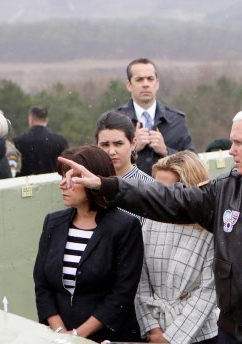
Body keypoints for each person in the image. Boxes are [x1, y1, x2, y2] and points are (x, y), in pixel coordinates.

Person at [59, 105, 242, 343]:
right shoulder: (226, 189)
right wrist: (107, 185)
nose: (231, 150)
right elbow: (170, 199)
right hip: (230, 334)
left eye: (238, 142)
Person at [33, 145, 143, 343]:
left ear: (94, 181)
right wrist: (60, 331)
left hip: (108, 337)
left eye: (72, 179)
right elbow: (42, 285)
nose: (63, 185)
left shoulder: (125, 226)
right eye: (62, 178)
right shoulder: (53, 223)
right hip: (59, 337)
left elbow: (121, 293)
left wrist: (78, 335)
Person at [136, 151, 219, 344]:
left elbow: (208, 292)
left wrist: (171, 338)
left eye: (167, 191)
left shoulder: (210, 230)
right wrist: (152, 328)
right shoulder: (150, 221)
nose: (159, 197)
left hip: (200, 336)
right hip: (154, 331)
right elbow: (140, 280)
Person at [115, 58, 195, 174]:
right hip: (128, 190)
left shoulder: (177, 120)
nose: (145, 84)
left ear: (157, 83)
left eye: (150, 79)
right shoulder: (115, 121)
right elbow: (103, 163)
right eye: (139, 79)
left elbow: (194, 163)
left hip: (168, 191)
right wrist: (132, 148)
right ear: (129, 85)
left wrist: (166, 151)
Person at [95, 111, 154, 224]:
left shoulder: (149, 187)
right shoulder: (91, 185)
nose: (111, 152)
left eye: (118, 144)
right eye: (105, 145)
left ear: (133, 144)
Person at [14, 106, 68, 176]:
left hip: (26, 185)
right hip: (53, 184)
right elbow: (66, 166)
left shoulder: (18, 141)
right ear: (46, 120)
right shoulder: (60, 141)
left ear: (31, 119)